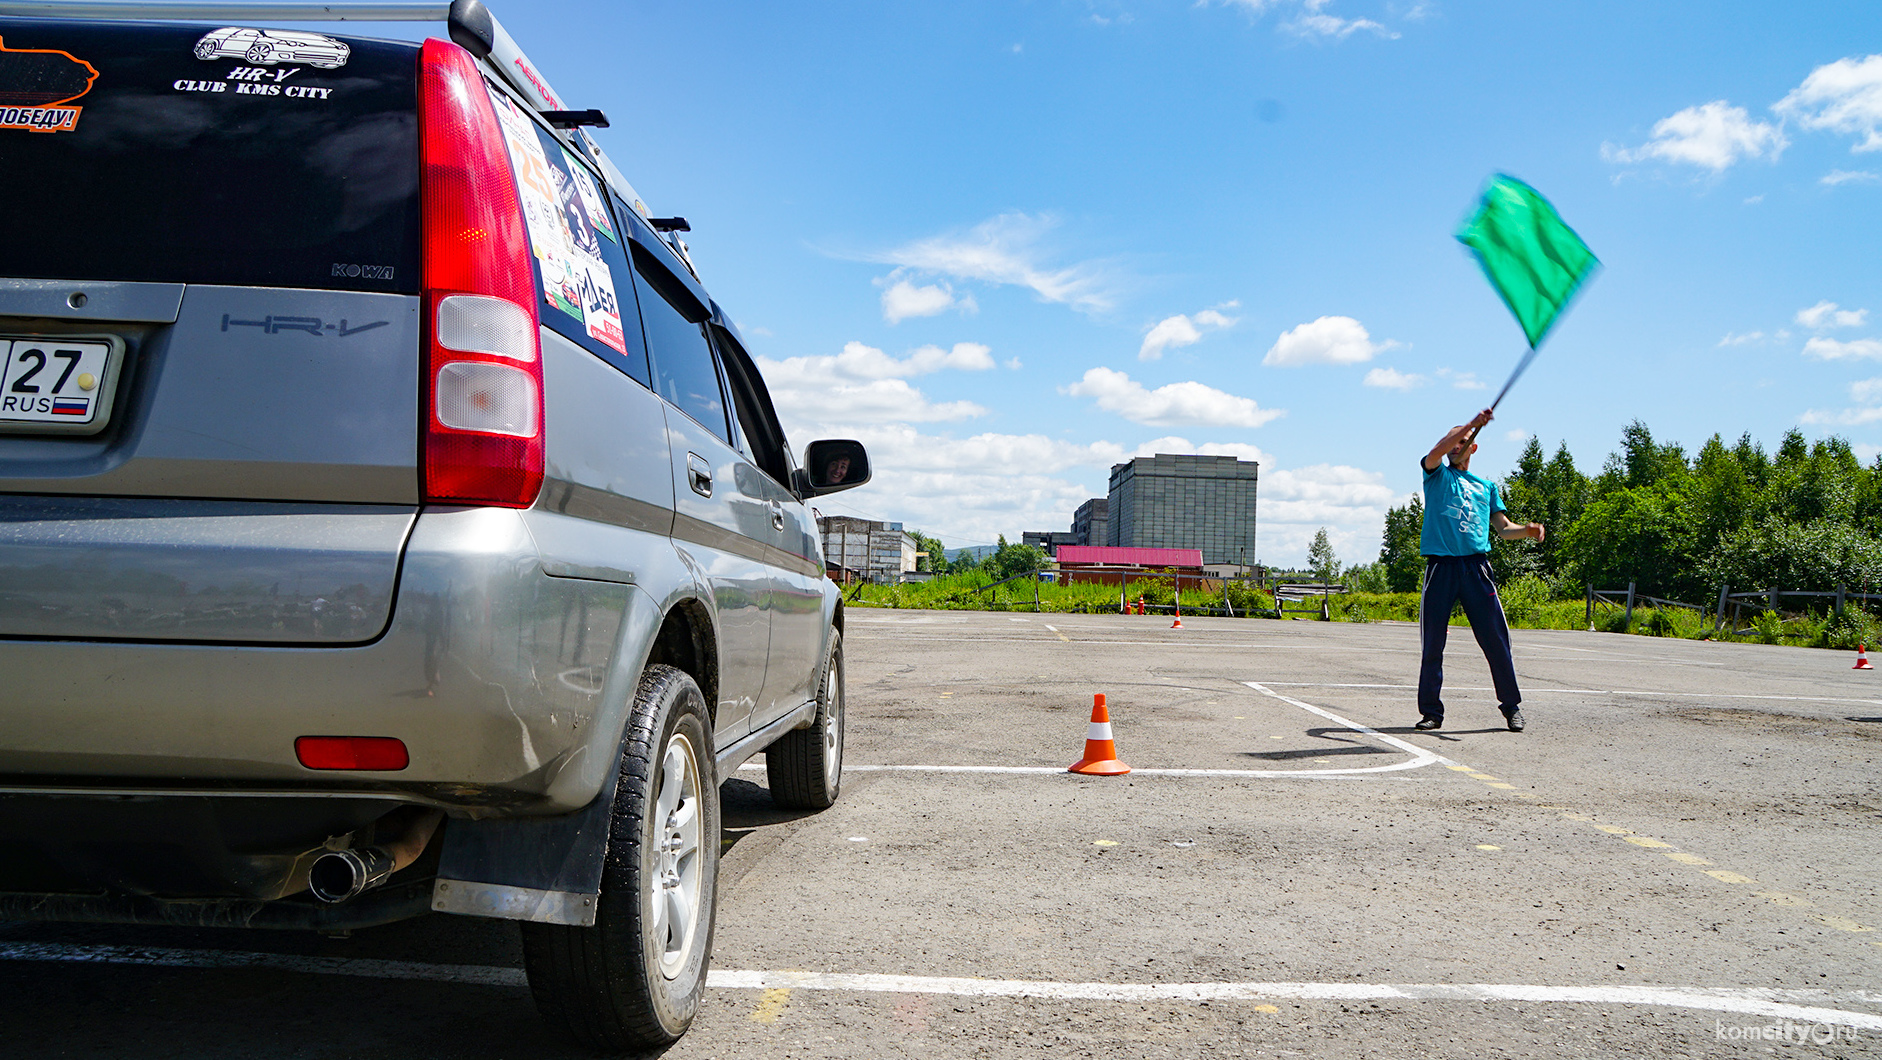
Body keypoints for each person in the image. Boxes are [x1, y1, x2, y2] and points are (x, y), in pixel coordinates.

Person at [1414, 407, 1544, 733]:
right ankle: (1432, 712)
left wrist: (1525, 530)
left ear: (1473, 448)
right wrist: (1470, 425)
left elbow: (1503, 528)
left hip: (1476, 568)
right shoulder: (1436, 474)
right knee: (1433, 645)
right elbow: (1437, 450)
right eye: (1452, 441)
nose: (1455, 446)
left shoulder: (1485, 487)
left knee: (1497, 642)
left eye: (1463, 442)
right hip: (1441, 568)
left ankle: (1511, 707)